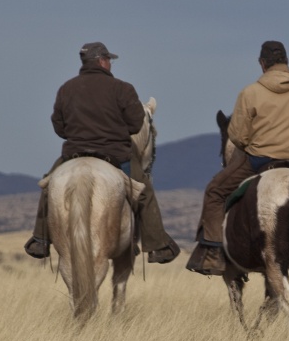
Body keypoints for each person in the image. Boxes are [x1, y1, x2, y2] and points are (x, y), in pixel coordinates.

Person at [24, 41, 180, 263]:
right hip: (115, 154)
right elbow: (136, 124)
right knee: (144, 191)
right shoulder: (122, 89)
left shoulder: (66, 88)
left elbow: (59, 127)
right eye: (110, 60)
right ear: (103, 61)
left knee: (49, 186)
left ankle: (40, 239)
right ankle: (157, 245)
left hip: (74, 154)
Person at [186, 40, 289, 276]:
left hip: (261, 161)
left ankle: (214, 252)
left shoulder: (251, 92)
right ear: (286, 61)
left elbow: (237, 135)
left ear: (262, 64)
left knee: (215, 191)